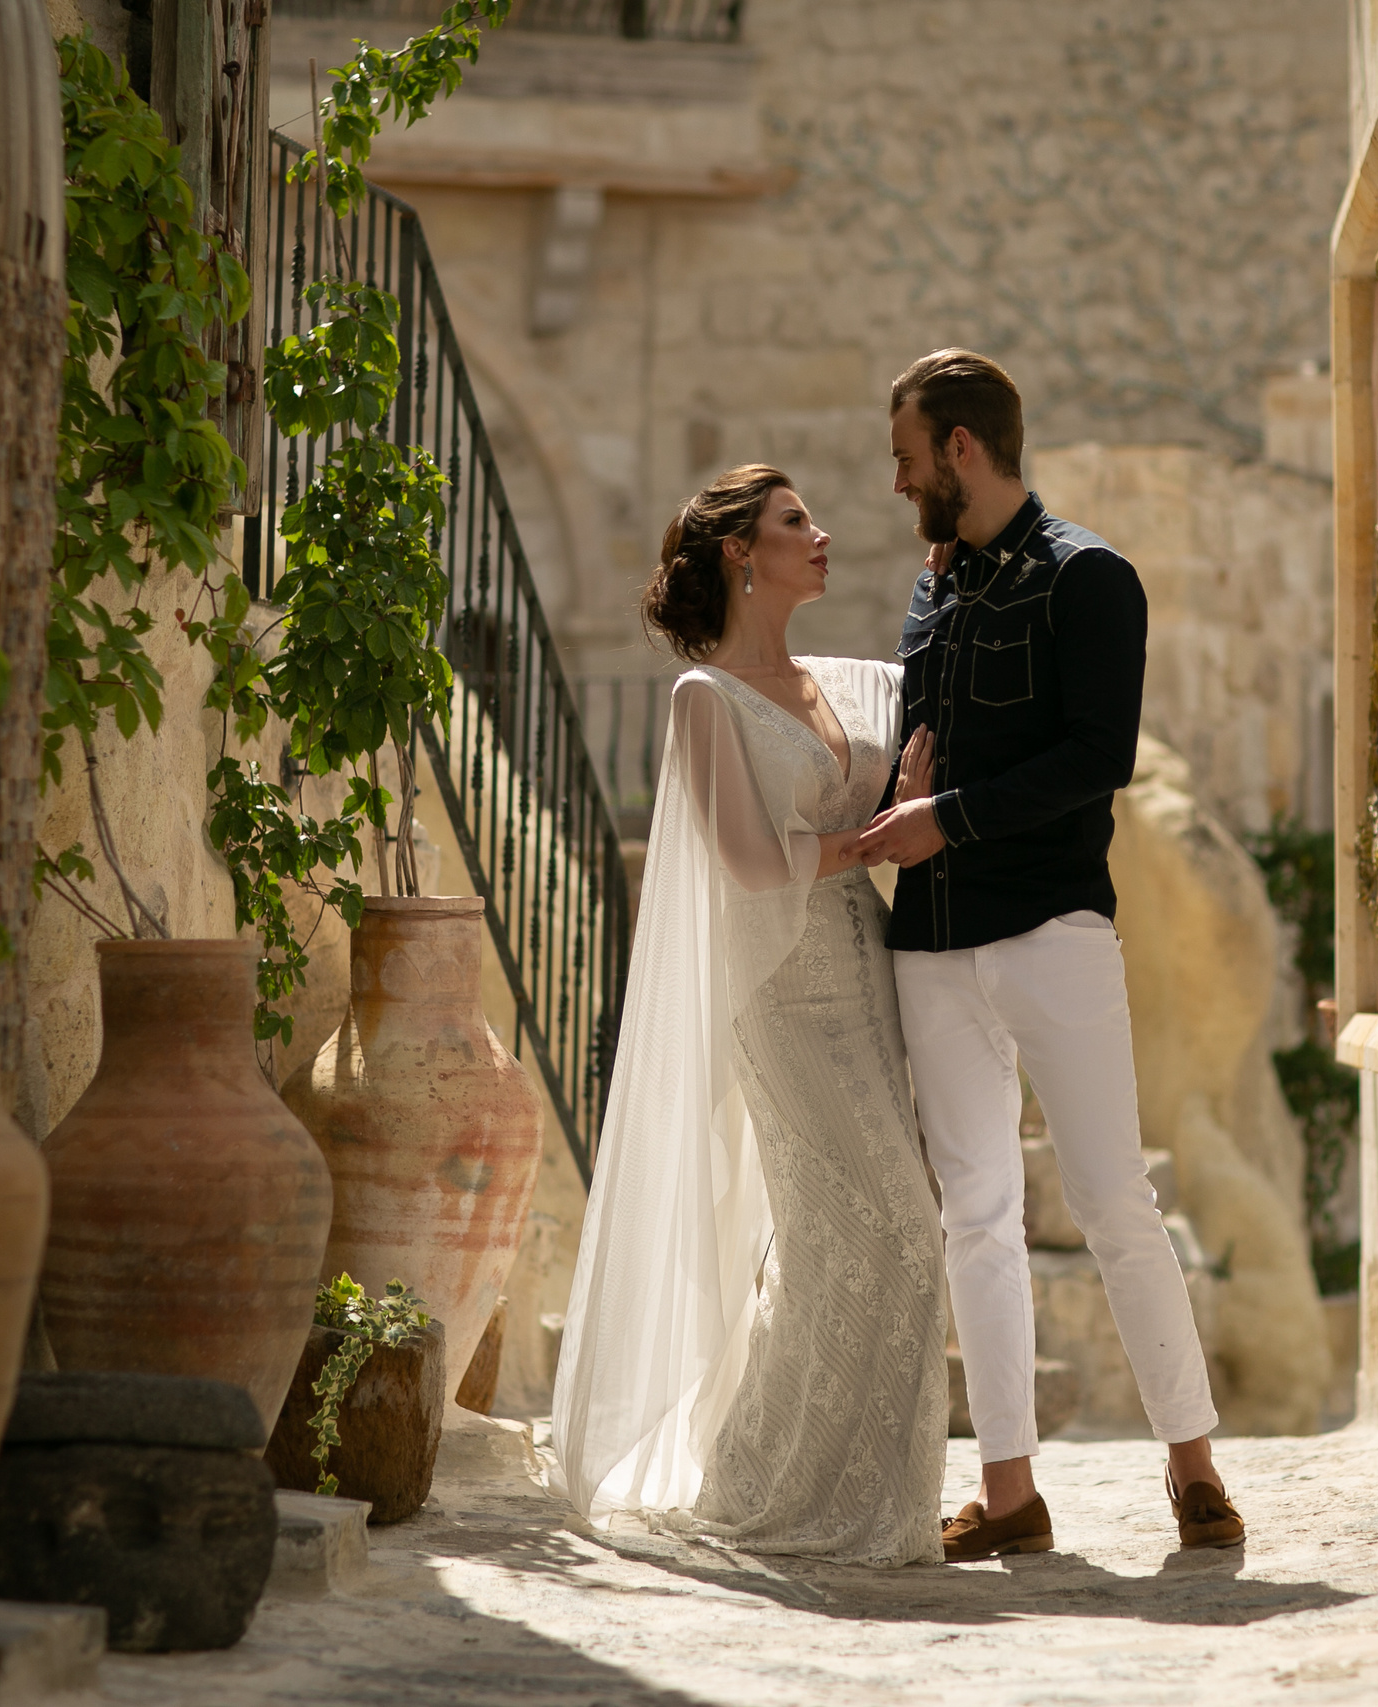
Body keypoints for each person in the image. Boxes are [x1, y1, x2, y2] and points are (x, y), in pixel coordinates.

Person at [853, 349, 1246, 1560]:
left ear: (961, 449)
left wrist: (943, 818)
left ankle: (1193, 1470)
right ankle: (1011, 1494)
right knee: (975, 1216)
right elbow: (922, 745)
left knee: (1115, 1202)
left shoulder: (1092, 578)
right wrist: (900, 793)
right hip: (929, 939)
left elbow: (1094, 760)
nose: (899, 478)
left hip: (1052, 931)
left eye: (908, 456)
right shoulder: (930, 592)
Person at [550, 465, 948, 1567]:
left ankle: (857, 1492)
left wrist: (903, 793)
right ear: (738, 552)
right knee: (882, 1228)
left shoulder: (846, 682)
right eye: (794, 523)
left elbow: (916, 738)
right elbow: (740, 862)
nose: (821, 536)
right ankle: (758, 1485)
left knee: (867, 1234)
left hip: (863, 968)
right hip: (774, 991)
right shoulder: (702, 699)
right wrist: (876, 837)